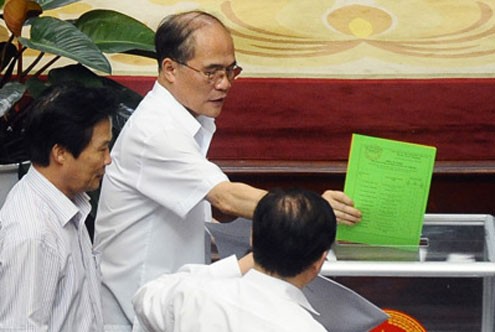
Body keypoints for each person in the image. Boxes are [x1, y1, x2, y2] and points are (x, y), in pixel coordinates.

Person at [93, 10, 362, 331]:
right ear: (170, 69)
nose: (224, 84)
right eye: (211, 73)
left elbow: (207, 204)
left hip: (172, 304)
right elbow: (226, 197)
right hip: (137, 313)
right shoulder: (156, 132)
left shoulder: (187, 120)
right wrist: (308, 213)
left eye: (230, 70)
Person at [133, 188, 337, 332]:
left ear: (251, 237)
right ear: (318, 262)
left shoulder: (192, 296)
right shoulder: (306, 328)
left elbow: (145, 297)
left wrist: (238, 265)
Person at [0, 83, 118, 331]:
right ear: (61, 153)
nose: (108, 159)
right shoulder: (33, 235)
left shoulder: (67, 202)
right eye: (101, 149)